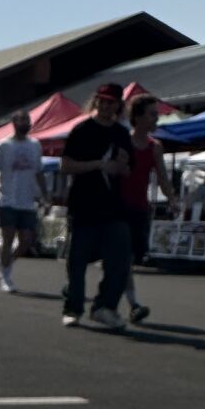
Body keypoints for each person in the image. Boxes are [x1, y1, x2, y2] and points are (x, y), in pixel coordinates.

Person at [59, 82, 133, 328]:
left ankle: (104, 307)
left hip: (113, 207)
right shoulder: (82, 130)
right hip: (84, 205)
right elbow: (66, 165)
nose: (104, 105)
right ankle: (73, 307)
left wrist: (121, 167)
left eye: (110, 102)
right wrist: (97, 165)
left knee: (119, 260)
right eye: (101, 100)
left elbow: (128, 170)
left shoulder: (122, 134)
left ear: (118, 105)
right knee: (77, 261)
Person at [119, 95, 176, 322]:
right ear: (138, 116)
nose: (157, 118)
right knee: (121, 258)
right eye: (152, 114)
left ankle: (124, 298)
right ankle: (133, 303)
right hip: (116, 208)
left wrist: (172, 199)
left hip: (138, 210)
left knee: (128, 259)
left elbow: (162, 177)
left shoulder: (155, 147)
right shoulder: (122, 142)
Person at [0, 108, 47, 294]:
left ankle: (6, 264)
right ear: (14, 123)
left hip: (27, 200)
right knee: (8, 237)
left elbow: (39, 171)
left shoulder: (35, 145)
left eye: (27, 120)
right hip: (7, 199)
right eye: (20, 120)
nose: (24, 123)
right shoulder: (3, 145)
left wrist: (46, 195)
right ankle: (6, 277)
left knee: (27, 241)